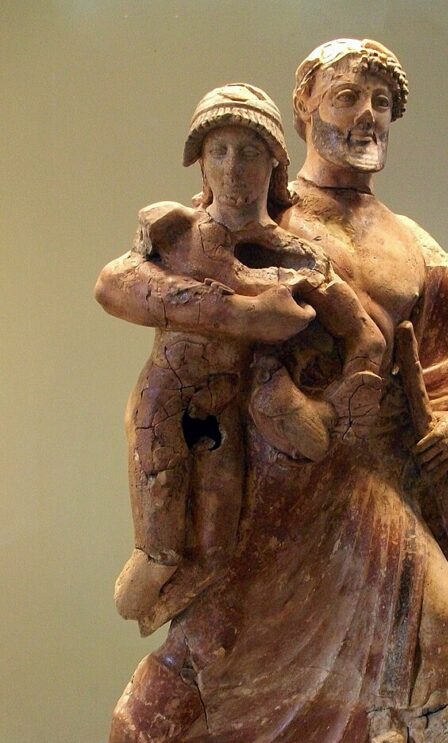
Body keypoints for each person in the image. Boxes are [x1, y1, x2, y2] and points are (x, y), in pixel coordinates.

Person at [93, 41, 448, 743]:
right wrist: (245, 325)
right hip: (257, 486)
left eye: (382, 103)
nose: (366, 115)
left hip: (363, 481)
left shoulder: (407, 243)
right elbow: (133, 283)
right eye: (347, 95)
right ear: (303, 106)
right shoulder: (258, 203)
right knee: (212, 650)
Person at [101, 84, 386, 635]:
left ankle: (187, 656)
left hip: (227, 420)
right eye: (219, 151)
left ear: (275, 164)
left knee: (214, 554)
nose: (234, 168)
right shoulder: (174, 230)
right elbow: (113, 284)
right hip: (164, 407)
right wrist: (241, 314)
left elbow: (364, 337)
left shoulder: (298, 259)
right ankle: (154, 628)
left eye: (251, 152)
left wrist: (337, 408)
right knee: (158, 552)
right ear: (201, 164)